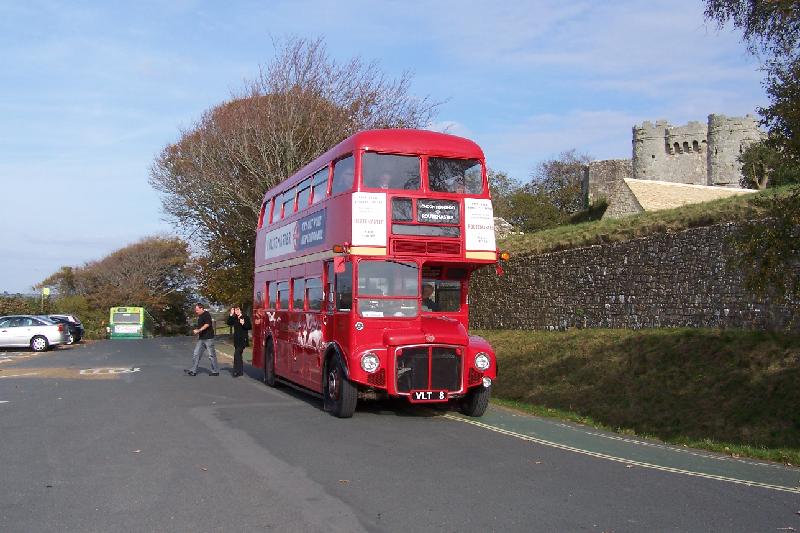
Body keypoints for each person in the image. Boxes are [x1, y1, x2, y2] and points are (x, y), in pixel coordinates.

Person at [185, 303, 219, 376]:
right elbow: (201, 325)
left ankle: (215, 371)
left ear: (201, 308)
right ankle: (193, 370)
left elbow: (207, 324)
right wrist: (198, 330)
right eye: (195, 310)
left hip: (208, 338)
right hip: (201, 338)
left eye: (197, 310)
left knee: (211, 355)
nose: (196, 311)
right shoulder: (200, 316)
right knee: (196, 354)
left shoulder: (206, 314)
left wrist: (199, 330)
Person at [226, 305, 251, 377]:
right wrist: (231, 314)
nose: (236, 311)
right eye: (235, 310)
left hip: (243, 339)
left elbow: (249, 326)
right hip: (236, 340)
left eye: (238, 310)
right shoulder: (234, 318)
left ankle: (236, 371)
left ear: (241, 310)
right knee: (239, 356)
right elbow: (229, 323)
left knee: (236, 354)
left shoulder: (245, 317)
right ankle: (240, 371)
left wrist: (243, 323)